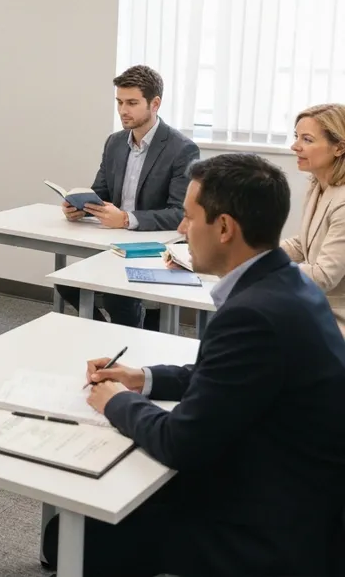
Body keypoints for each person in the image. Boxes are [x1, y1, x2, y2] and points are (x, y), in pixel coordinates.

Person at [47, 153, 345, 577]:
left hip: (270, 525)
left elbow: (180, 442)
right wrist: (143, 378)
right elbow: (229, 379)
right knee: (72, 532)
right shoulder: (287, 282)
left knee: (73, 537)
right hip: (305, 493)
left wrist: (114, 402)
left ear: (224, 228)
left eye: (188, 218)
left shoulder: (253, 315)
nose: (182, 231)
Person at [55, 65, 200, 328]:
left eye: (132, 103)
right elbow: (100, 194)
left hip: (156, 248)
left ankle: (128, 343)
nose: (123, 110)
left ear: (155, 103)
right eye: (119, 102)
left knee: (116, 296)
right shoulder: (115, 142)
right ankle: (107, 336)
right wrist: (80, 207)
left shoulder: (182, 149)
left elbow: (180, 213)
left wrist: (125, 219)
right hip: (114, 244)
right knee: (66, 282)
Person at [280, 103, 345, 336]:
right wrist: (252, 253)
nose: (295, 146)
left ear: (339, 148)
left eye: (307, 140)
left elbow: (324, 275)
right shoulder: (319, 185)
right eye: (297, 137)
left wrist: (265, 268)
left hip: (336, 319)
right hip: (315, 307)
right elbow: (303, 243)